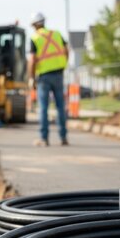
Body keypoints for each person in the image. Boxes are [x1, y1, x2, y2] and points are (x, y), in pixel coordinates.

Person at [28, 12, 69, 147]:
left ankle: (44, 139)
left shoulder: (35, 38)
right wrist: (63, 64)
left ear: (34, 25)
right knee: (60, 107)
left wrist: (31, 78)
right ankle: (63, 137)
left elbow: (32, 60)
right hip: (59, 74)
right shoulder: (56, 34)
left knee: (44, 108)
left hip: (44, 76)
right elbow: (66, 51)